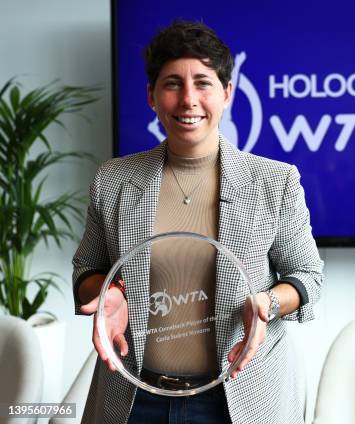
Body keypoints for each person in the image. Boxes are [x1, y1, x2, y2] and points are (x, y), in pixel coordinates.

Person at [72, 20, 324, 424]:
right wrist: (110, 294)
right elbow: (88, 269)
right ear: (152, 96)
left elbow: (307, 276)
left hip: (241, 396)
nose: (188, 99)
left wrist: (266, 303)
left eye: (203, 83)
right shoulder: (114, 179)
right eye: (172, 83)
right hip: (135, 396)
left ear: (226, 93)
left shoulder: (274, 180)